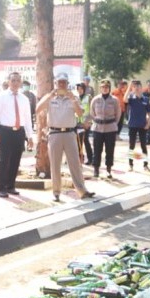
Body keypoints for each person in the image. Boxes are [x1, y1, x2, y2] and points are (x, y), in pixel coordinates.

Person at [36, 72, 95, 202]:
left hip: (69, 133)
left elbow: (79, 113)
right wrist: (49, 96)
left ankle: (82, 191)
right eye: (59, 82)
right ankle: (56, 192)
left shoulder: (73, 98)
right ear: (55, 84)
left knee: (75, 163)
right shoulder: (50, 98)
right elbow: (38, 109)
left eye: (64, 82)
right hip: (55, 134)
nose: (62, 84)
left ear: (68, 84)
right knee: (55, 165)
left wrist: (73, 99)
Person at [0, 72, 33, 198]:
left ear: (20, 83)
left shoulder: (24, 99)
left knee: (16, 160)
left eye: (17, 80)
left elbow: (27, 118)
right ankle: (1, 187)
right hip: (5, 131)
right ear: (9, 82)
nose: (15, 83)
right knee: (4, 160)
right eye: (13, 80)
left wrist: (29, 136)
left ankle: (10, 185)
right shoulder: (1, 96)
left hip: (19, 132)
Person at [90, 79, 122, 179]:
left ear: (109, 88)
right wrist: (98, 120)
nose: (105, 89)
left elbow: (118, 114)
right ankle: (96, 169)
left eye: (107, 87)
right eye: (103, 87)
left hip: (110, 128)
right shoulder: (95, 99)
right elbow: (92, 113)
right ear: (100, 88)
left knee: (110, 150)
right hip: (98, 128)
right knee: (97, 150)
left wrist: (113, 124)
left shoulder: (115, 100)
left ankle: (108, 169)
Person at [124, 80, 150, 172]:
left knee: (144, 145)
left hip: (142, 125)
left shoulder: (146, 99)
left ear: (141, 87)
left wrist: (148, 123)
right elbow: (124, 99)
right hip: (132, 125)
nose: (136, 88)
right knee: (131, 145)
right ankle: (130, 165)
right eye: (134, 87)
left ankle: (145, 165)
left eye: (138, 86)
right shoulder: (131, 98)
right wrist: (129, 87)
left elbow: (148, 113)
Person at [76, 83, 93, 165]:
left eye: (81, 89)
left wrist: (89, 122)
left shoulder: (88, 97)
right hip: (78, 123)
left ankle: (90, 158)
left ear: (84, 89)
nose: (79, 91)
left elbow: (92, 110)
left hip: (86, 123)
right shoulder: (76, 98)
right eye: (78, 89)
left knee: (85, 140)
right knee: (78, 141)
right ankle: (80, 158)